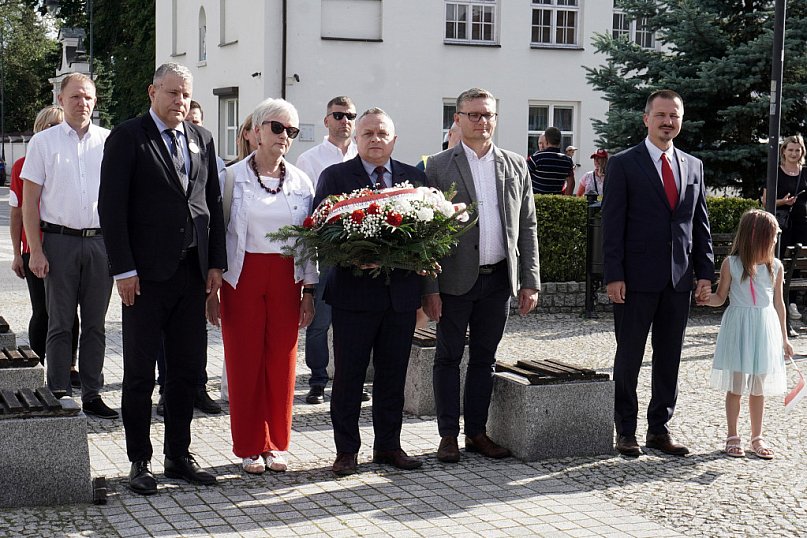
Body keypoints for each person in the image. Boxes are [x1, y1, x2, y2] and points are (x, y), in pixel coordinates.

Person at [98, 62, 226, 495]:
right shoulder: (129, 137)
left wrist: (215, 265)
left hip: (191, 274)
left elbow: (213, 208)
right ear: (153, 92)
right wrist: (124, 269)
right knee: (138, 372)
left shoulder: (202, 139)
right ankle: (139, 460)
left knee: (186, 370)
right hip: (145, 278)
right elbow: (111, 209)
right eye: (172, 93)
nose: (180, 102)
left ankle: (178, 454)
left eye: (186, 95)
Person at [422, 87, 541, 463]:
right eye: (473, 115)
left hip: (497, 281)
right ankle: (447, 435)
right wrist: (431, 287)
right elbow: (427, 232)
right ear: (457, 119)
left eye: (488, 114)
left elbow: (528, 225)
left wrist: (530, 280)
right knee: (448, 357)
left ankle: (476, 432)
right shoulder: (438, 166)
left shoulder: (515, 164)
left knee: (484, 359)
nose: (482, 121)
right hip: (454, 281)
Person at [205, 98, 316, 474]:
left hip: (287, 276)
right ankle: (249, 445)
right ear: (254, 132)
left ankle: (275, 443)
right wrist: (214, 285)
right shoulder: (231, 177)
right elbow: (216, 233)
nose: (285, 136)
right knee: (244, 360)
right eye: (277, 127)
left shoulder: (301, 181)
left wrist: (309, 290)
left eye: (292, 131)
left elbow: (309, 241)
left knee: (281, 361)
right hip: (243, 274)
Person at [602, 89, 714, 458]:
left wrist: (704, 273)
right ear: (646, 119)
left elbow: (700, 226)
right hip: (634, 281)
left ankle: (659, 430)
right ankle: (626, 430)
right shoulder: (624, 163)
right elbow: (612, 225)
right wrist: (613, 275)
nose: (668, 122)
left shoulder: (693, 166)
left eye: (675, 116)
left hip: (678, 281)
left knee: (669, 358)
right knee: (629, 357)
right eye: (662, 115)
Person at [314, 107, 426, 476]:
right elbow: (320, 233)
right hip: (353, 296)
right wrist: (353, 257)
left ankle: (388, 446)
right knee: (348, 376)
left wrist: (424, 294)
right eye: (368, 134)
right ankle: (346, 450)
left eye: (382, 134)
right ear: (356, 139)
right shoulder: (335, 177)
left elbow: (428, 238)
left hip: (400, 297)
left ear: (394, 139)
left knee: (392, 376)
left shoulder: (415, 177)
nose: (375, 140)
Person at [21, 73, 116, 419]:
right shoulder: (43, 144)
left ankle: (92, 392)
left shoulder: (109, 141)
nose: (82, 103)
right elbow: (29, 203)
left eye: (88, 97)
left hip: (99, 243)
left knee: (95, 324)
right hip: (58, 242)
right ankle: (58, 389)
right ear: (61, 100)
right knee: (59, 322)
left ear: (95, 101)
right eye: (75, 96)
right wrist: (36, 250)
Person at [154, 100, 225, 417]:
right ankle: (166, 388)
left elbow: (213, 207)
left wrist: (215, 263)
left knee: (195, 334)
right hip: (159, 261)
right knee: (162, 336)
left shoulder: (205, 145)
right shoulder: (146, 142)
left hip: (195, 260)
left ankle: (196, 387)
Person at [703, 210, 789, 459]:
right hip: (739, 327)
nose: (774, 242)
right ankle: (732, 434)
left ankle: (757, 436)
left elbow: (779, 304)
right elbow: (720, 298)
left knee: (759, 386)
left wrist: (784, 339)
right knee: (737, 385)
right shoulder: (732, 264)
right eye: (772, 237)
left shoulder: (776, 267)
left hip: (764, 328)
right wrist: (706, 299)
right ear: (758, 238)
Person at [295, 96, 360, 406]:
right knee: (320, 322)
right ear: (326, 120)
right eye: (338, 115)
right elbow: (305, 209)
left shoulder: (365, 154)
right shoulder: (310, 159)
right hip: (325, 251)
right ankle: (318, 380)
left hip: (360, 251)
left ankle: (350, 381)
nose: (344, 121)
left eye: (349, 116)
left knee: (353, 322)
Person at [9, 106, 81, 383]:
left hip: (67, 246)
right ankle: (38, 362)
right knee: (43, 310)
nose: (55, 130)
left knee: (69, 311)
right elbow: (17, 213)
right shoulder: (22, 165)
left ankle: (69, 365)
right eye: (49, 125)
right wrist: (18, 253)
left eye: (59, 125)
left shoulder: (74, 162)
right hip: (35, 248)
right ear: (40, 129)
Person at [761, 134, 807, 329]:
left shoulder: (805, 173)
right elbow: (764, 200)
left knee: (797, 262)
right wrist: (783, 202)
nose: (794, 153)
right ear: (783, 151)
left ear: (802, 152)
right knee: (779, 261)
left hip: (802, 223)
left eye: (797, 150)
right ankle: (782, 302)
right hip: (781, 223)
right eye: (790, 150)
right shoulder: (775, 172)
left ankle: (794, 302)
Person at [527, 126, 575, 195]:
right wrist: (565, 199)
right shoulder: (567, 161)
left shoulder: (536, 158)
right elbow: (571, 182)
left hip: (536, 201)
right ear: (559, 142)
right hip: (556, 202)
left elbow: (523, 176)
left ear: (546, 141)